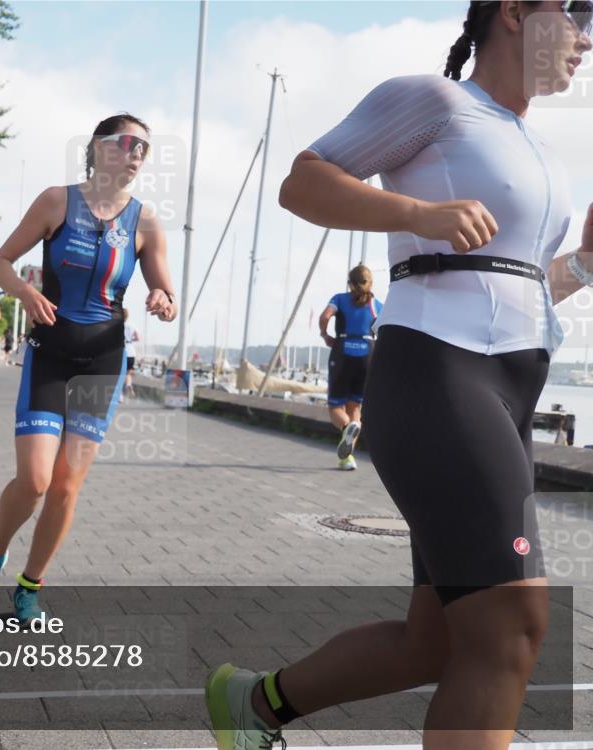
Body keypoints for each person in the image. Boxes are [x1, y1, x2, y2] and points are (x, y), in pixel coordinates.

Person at [206, 3, 592, 749]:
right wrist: (418, 210)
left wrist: (583, 265)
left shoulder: (538, 146)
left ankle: (252, 705)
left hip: (509, 392)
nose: (586, 34)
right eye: (575, 11)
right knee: (512, 625)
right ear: (513, 12)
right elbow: (303, 183)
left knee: (439, 641)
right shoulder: (436, 99)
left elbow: (511, 278)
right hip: (439, 377)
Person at [0, 113, 177, 624]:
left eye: (144, 148)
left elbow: (165, 287)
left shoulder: (145, 221)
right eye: (127, 143)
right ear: (99, 148)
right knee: (35, 479)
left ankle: (30, 586)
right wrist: (26, 292)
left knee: (65, 485)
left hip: (102, 360)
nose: (136, 153)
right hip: (51, 354)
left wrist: (163, 299)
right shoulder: (57, 201)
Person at [318, 265, 383, 471]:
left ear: (350, 283)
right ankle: (347, 459)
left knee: (335, 406)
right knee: (355, 407)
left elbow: (325, 316)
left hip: (343, 351)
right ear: (370, 283)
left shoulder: (339, 299)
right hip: (367, 353)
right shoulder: (377, 304)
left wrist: (325, 334)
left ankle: (347, 428)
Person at [122, 307, 139, 401]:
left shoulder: (119, 325)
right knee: (129, 372)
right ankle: (128, 384)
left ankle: (119, 395)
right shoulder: (132, 325)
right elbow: (138, 337)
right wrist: (131, 339)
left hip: (122, 350)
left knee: (120, 373)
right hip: (131, 351)